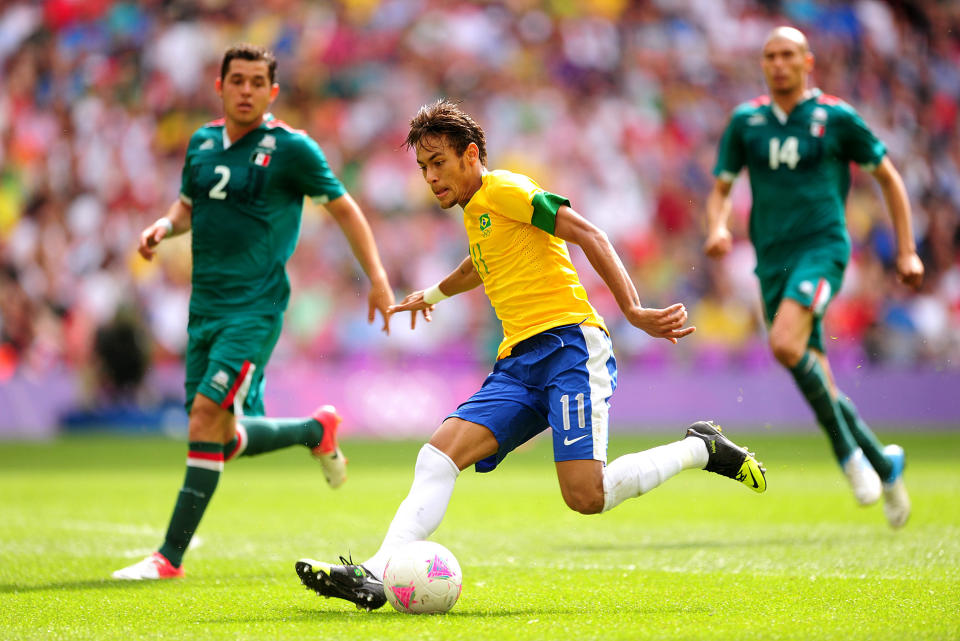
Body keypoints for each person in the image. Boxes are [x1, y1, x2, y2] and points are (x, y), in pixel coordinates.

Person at [293, 99, 767, 611]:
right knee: (438, 454)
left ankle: (701, 448)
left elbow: (588, 232)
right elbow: (480, 264)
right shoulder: (477, 211)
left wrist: (632, 310)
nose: (429, 177)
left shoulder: (508, 190)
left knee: (586, 497)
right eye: (422, 168)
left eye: (438, 163)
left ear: (471, 154)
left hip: (569, 348)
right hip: (518, 363)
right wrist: (430, 295)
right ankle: (375, 574)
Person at [112, 44, 394, 580]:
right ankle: (316, 430)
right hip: (204, 310)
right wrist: (163, 227)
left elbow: (344, 208)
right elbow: (189, 206)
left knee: (202, 417)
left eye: (256, 82)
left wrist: (377, 280)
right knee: (217, 435)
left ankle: (167, 558)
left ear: (272, 91)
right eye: (236, 80)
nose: (245, 90)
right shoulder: (200, 144)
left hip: (254, 309)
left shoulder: (292, 149)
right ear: (219, 86)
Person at [703, 27, 924, 529]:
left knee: (784, 344)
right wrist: (717, 226)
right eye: (769, 57)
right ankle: (884, 462)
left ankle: (848, 456)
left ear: (808, 62)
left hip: (821, 250)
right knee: (812, 367)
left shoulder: (836, 118)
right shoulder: (747, 122)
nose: (778, 64)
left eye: (787, 55)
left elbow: (888, 177)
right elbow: (720, 188)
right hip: (771, 259)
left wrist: (907, 252)